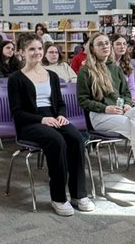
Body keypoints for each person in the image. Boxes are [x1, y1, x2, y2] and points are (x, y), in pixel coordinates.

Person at [8, 34, 94, 217]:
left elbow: (60, 103)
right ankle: (59, 197)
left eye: (39, 48)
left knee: (76, 138)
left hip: (54, 117)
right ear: (22, 53)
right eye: (31, 49)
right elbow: (17, 113)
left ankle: (79, 194)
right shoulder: (16, 78)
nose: (37, 52)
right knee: (57, 141)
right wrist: (41, 120)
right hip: (30, 122)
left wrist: (62, 116)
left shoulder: (52, 76)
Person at [77, 32, 135, 195]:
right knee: (134, 126)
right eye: (100, 44)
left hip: (120, 112)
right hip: (99, 116)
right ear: (92, 48)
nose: (105, 46)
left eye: (106, 43)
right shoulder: (85, 71)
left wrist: (126, 103)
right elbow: (82, 101)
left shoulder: (115, 68)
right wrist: (105, 108)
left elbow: (125, 93)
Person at [112, 34, 135, 105]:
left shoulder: (128, 63)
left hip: (127, 100)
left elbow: (132, 86)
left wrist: (134, 98)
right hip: (114, 101)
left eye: (124, 44)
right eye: (118, 44)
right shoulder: (109, 64)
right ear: (111, 46)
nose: (122, 46)